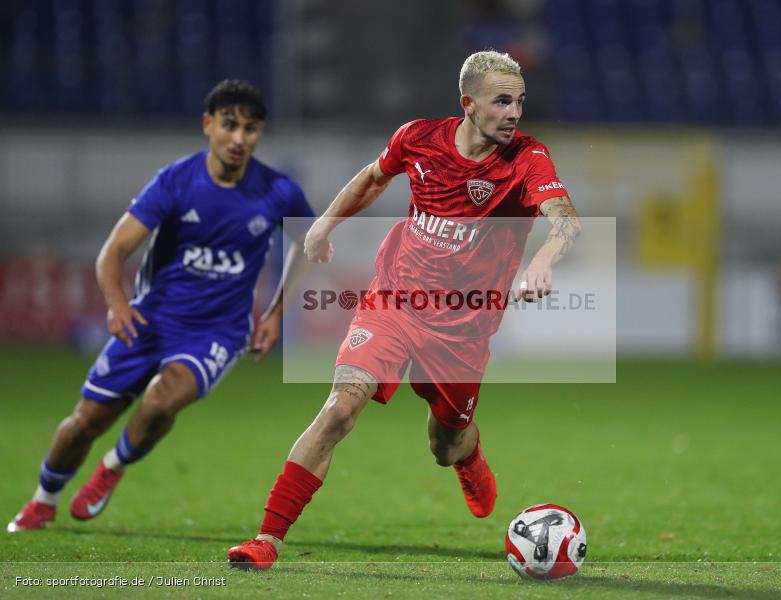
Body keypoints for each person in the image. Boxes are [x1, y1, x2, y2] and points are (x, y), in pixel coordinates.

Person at [226, 50, 581, 569]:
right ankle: (267, 539)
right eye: (502, 101)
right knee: (340, 408)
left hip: (463, 328)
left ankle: (469, 456)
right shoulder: (418, 138)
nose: (514, 112)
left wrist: (544, 261)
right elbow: (374, 176)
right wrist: (326, 222)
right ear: (468, 103)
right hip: (396, 300)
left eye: (520, 102)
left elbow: (566, 220)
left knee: (445, 442)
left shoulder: (527, 159)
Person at [7, 79, 314, 532]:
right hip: (150, 323)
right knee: (86, 421)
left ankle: (111, 468)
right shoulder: (175, 182)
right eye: (229, 125)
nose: (238, 138)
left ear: (260, 133)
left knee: (161, 401)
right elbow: (112, 253)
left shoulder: (278, 191)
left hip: (218, 333)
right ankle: (43, 499)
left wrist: (275, 314)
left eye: (250, 129)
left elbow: (308, 242)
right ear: (208, 125)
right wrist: (116, 306)